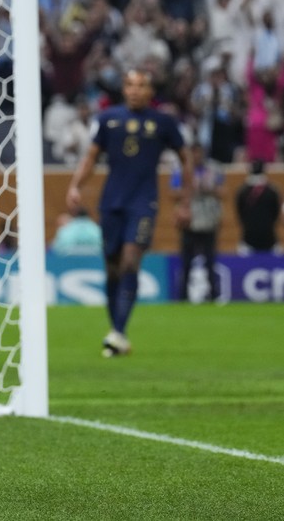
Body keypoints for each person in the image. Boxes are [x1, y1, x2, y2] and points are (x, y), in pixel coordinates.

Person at [67, 69, 193, 358]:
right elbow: (91, 157)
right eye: (130, 85)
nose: (135, 90)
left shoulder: (164, 122)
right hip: (111, 202)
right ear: (124, 89)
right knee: (112, 268)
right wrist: (75, 186)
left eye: (141, 86)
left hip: (144, 203)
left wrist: (185, 201)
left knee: (129, 262)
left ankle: (118, 333)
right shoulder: (107, 119)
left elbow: (185, 160)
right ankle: (118, 333)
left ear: (151, 91)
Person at [171, 144, 224, 302]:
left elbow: (224, 192)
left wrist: (209, 188)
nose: (196, 157)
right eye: (193, 154)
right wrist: (190, 189)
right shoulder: (181, 170)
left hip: (208, 222)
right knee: (186, 263)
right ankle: (182, 297)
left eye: (198, 153)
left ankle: (214, 296)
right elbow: (171, 193)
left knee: (210, 262)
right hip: (189, 222)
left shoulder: (213, 169)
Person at [236, 160, 284, 254]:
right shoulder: (273, 191)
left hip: (256, 238)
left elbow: (240, 213)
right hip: (262, 237)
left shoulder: (242, 191)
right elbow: (276, 213)